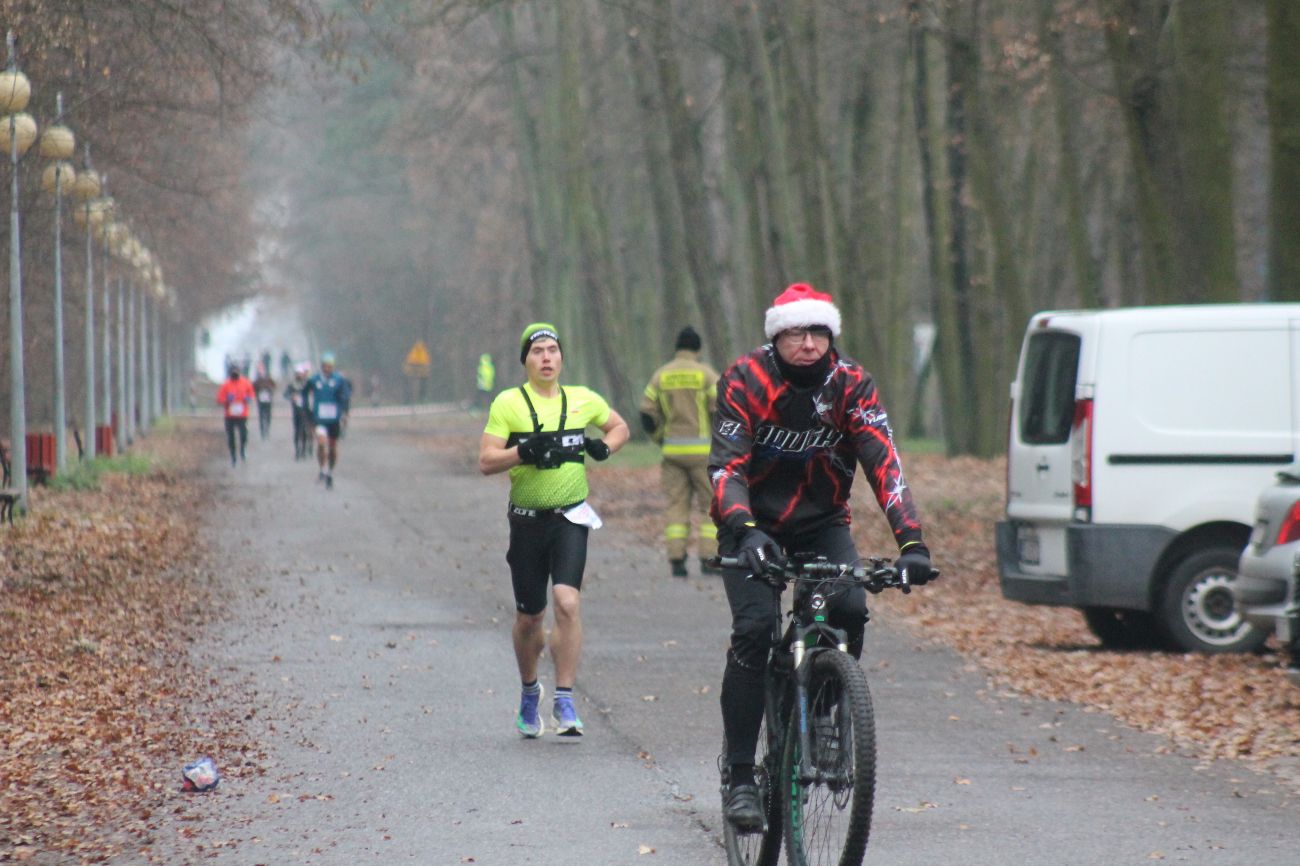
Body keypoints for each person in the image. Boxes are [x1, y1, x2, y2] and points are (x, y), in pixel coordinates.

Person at [709, 283, 935, 832]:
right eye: (795, 333)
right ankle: (741, 775)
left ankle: (828, 716)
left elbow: (884, 461)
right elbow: (725, 469)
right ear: (776, 337)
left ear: (829, 335)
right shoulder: (746, 379)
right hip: (751, 529)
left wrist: (912, 542)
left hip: (821, 524)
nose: (808, 343)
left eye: (817, 333)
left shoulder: (850, 384)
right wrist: (743, 529)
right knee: (757, 628)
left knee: (852, 609)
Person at [478, 323, 630, 739]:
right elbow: (487, 461)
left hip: (569, 518)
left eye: (552, 351)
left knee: (567, 603)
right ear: (525, 360)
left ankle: (564, 698)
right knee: (531, 617)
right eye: (537, 351)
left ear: (562, 358)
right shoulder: (509, 404)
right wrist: (523, 451)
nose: (546, 358)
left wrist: (605, 446)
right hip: (526, 521)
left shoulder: (583, 400)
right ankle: (530, 693)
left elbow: (620, 427)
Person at [639, 326, 720, 577]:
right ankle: (709, 558)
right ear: (698, 349)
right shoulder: (707, 375)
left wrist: (660, 439)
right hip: (704, 452)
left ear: (677, 348)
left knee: (676, 505)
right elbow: (721, 410)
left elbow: (647, 414)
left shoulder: (661, 376)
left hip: (672, 452)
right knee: (711, 506)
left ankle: (676, 559)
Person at [304, 352, 351, 490]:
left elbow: (345, 397)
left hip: (334, 419)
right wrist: (308, 412)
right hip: (319, 418)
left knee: (333, 448)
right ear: (321, 366)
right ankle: (323, 469)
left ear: (333, 367)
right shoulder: (314, 380)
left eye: (329, 366)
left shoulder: (339, 380)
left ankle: (330, 471)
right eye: (325, 366)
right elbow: (305, 394)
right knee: (321, 443)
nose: (327, 369)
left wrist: (345, 413)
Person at [216, 364, 255, 466]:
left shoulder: (246, 383)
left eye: (236, 372)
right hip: (230, 415)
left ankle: (242, 450)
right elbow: (219, 399)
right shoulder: (226, 385)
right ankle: (233, 455)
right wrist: (226, 400)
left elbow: (251, 395)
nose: (235, 374)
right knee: (231, 436)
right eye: (233, 372)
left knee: (244, 435)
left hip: (242, 415)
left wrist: (248, 399)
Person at [284, 363, 312, 460]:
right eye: (297, 373)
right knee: (296, 431)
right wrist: (291, 397)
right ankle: (297, 450)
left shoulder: (307, 384)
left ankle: (304, 450)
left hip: (305, 409)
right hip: (296, 410)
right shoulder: (292, 384)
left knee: (304, 430)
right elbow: (286, 394)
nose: (299, 375)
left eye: (300, 373)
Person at [252, 364, 277, 441]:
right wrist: (256, 394)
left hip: (268, 399)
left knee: (268, 415)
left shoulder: (269, 378)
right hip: (260, 399)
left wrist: (270, 391)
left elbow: (274, 385)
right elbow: (253, 388)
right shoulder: (257, 380)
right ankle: (262, 431)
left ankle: (267, 430)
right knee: (261, 415)